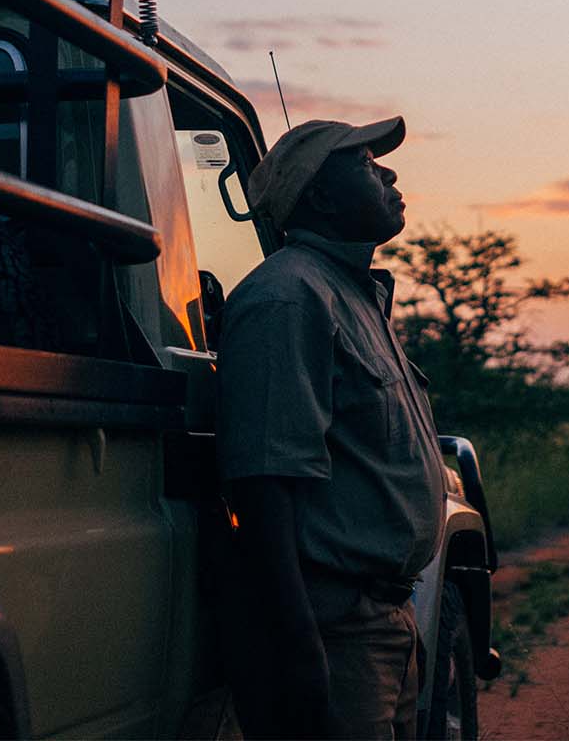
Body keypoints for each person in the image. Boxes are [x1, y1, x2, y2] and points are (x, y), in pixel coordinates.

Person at [216, 116, 448, 740]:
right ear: (319, 196)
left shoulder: (354, 295)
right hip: (335, 630)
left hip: (385, 618)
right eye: (367, 165)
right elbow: (264, 488)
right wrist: (299, 652)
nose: (390, 172)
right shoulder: (288, 299)